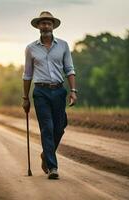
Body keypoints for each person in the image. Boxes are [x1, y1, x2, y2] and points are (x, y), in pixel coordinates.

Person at [22, 11, 78, 179]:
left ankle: (46, 155)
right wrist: (25, 98)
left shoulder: (63, 45)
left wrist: (73, 91)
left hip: (59, 91)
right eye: (42, 23)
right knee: (47, 127)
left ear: (53, 26)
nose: (45, 25)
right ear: (38, 26)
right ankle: (53, 167)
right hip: (41, 92)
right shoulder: (31, 48)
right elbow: (27, 74)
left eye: (48, 23)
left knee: (59, 128)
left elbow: (69, 69)